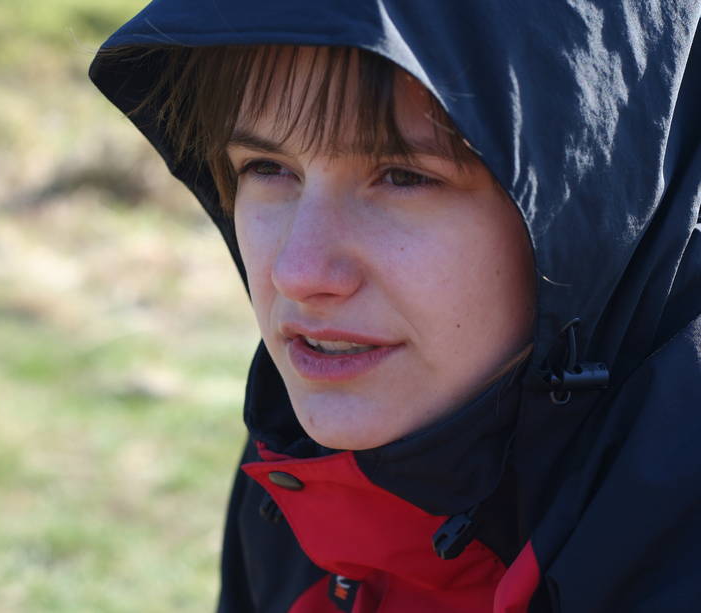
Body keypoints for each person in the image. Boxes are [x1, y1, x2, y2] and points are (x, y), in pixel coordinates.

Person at [90, 2, 701, 612]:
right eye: (268, 168)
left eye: (404, 176)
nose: (298, 273)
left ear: (593, 200)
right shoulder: (301, 458)